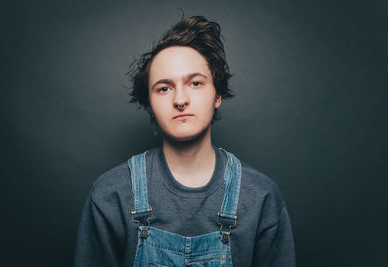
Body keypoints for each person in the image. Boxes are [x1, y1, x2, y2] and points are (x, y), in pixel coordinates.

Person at [74, 15, 296, 267]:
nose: (180, 99)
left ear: (217, 95)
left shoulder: (261, 197)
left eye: (195, 83)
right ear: (149, 103)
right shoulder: (110, 195)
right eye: (164, 88)